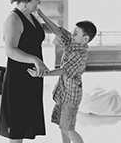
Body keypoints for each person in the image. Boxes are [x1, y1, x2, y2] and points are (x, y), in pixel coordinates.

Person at [31, 8, 97, 143]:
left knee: (68, 129)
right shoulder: (74, 43)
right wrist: (42, 14)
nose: (72, 35)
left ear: (85, 39)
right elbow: (58, 31)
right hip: (64, 93)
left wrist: (43, 73)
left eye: (76, 33)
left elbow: (63, 70)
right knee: (63, 126)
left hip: (70, 98)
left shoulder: (79, 54)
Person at [0, 0, 48, 142]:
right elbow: (10, 50)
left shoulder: (31, 16)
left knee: (26, 122)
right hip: (18, 79)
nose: (39, 3)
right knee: (17, 127)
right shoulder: (13, 19)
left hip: (31, 78)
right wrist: (35, 59)